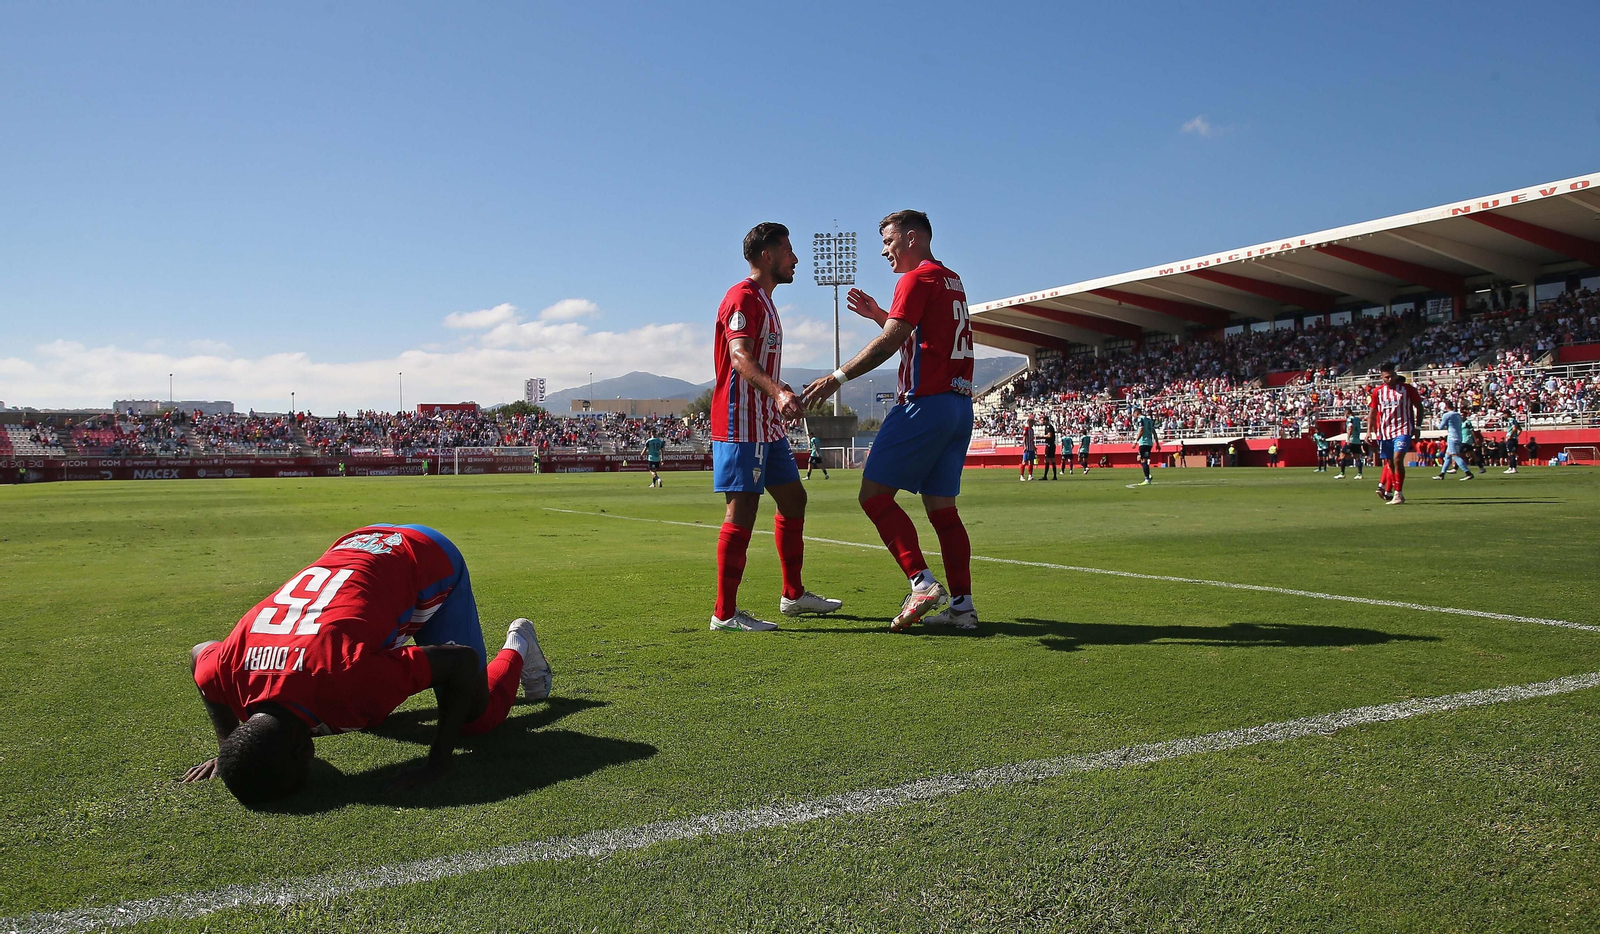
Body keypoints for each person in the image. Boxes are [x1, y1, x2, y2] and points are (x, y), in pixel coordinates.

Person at [181, 524, 552, 804]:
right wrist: (228, 746)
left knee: (475, 717)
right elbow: (203, 654)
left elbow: (461, 662)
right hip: (354, 547)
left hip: (424, 556)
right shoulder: (230, 669)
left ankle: (519, 642)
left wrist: (437, 762)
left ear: (304, 750)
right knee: (370, 710)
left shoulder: (350, 681)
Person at [803, 209, 977, 632]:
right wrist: (883, 314)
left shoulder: (914, 279)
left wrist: (837, 377)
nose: (884, 251)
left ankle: (920, 582)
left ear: (912, 238)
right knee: (943, 511)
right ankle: (963, 609)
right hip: (958, 408)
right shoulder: (951, 280)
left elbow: (894, 341)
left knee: (873, 496)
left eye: (888, 241)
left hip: (924, 404)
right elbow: (923, 337)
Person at [709, 222, 842, 632]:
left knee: (794, 500)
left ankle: (793, 595)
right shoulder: (742, 297)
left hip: (766, 423)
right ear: (767, 256)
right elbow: (739, 358)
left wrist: (778, 396)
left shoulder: (765, 300)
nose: (796, 258)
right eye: (788, 250)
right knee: (743, 509)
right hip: (741, 420)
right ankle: (725, 614)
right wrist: (778, 391)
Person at [1369, 364, 1423, 505]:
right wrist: (1369, 430)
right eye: (1387, 377)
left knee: (1398, 459)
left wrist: (1417, 426)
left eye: (1392, 375)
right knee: (1390, 463)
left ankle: (1398, 493)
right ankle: (1391, 491)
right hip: (1384, 432)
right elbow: (1373, 412)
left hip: (1403, 429)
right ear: (1382, 378)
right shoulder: (1377, 392)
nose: (1390, 378)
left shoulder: (1407, 389)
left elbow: (1419, 406)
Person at [1432, 400, 1475, 482]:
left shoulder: (1447, 415)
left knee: (1455, 456)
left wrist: (1436, 422)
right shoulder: (1458, 414)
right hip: (1459, 436)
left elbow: (1440, 427)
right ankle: (1442, 474)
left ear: (1446, 406)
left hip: (1452, 437)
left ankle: (1468, 473)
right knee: (1447, 456)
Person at [1335, 411, 1364, 480]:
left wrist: (1348, 439)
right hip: (1357, 440)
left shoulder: (1350, 419)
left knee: (1342, 455)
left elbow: (1350, 428)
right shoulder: (1357, 419)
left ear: (1347, 412)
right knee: (1357, 457)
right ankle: (1360, 474)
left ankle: (1342, 473)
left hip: (1351, 440)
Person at [1133, 407, 1158, 485]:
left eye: (1134, 414)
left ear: (1137, 413)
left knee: (1140, 459)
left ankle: (1147, 478)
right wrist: (1157, 443)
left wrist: (1135, 441)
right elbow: (1154, 432)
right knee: (1144, 460)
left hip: (1143, 442)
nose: (1134, 416)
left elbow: (1141, 430)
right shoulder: (1149, 420)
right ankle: (1148, 476)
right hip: (1149, 443)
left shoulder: (1141, 419)